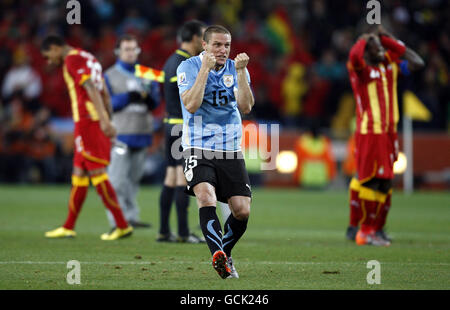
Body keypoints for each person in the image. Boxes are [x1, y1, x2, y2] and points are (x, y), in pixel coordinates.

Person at [177, 25, 254, 278]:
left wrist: (242, 72)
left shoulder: (236, 68)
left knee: (242, 211)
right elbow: (191, 104)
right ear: (204, 45)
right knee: (206, 197)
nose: (223, 50)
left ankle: (225, 253)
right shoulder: (187, 67)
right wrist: (204, 69)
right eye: (217, 45)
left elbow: (246, 106)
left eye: (227, 45)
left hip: (230, 147)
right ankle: (216, 255)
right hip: (197, 145)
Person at [41, 35, 133, 240]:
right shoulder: (87, 56)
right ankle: (68, 226)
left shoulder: (72, 59)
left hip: (88, 121)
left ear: (56, 48)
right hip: (89, 120)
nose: (49, 61)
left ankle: (122, 224)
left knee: (97, 172)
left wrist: (104, 121)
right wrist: (108, 116)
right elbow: (105, 91)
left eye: (49, 56)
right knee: (79, 174)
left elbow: (91, 87)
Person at [346, 25, 424, 246]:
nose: (381, 50)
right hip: (371, 132)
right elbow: (354, 55)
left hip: (390, 132)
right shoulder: (360, 70)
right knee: (370, 179)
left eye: (382, 47)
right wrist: (366, 39)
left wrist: (387, 40)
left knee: (386, 182)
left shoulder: (391, 66)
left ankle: (376, 230)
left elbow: (418, 63)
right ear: (367, 52)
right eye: (376, 47)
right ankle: (363, 231)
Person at [103, 34, 160, 230]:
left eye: (133, 49)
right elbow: (105, 104)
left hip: (142, 134)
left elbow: (156, 101)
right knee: (117, 179)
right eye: (126, 49)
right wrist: (128, 97)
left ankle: (131, 216)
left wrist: (150, 99)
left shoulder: (147, 74)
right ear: (118, 52)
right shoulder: (109, 75)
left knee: (134, 180)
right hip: (120, 135)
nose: (130, 53)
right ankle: (116, 220)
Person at [158, 20, 206, 243]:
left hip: (170, 123)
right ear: (195, 38)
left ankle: (165, 231)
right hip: (180, 126)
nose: (205, 42)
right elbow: (190, 98)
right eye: (203, 37)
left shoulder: (171, 60)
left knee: (171, 177)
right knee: (183, 179)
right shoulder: (183, 64)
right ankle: (184, 233)